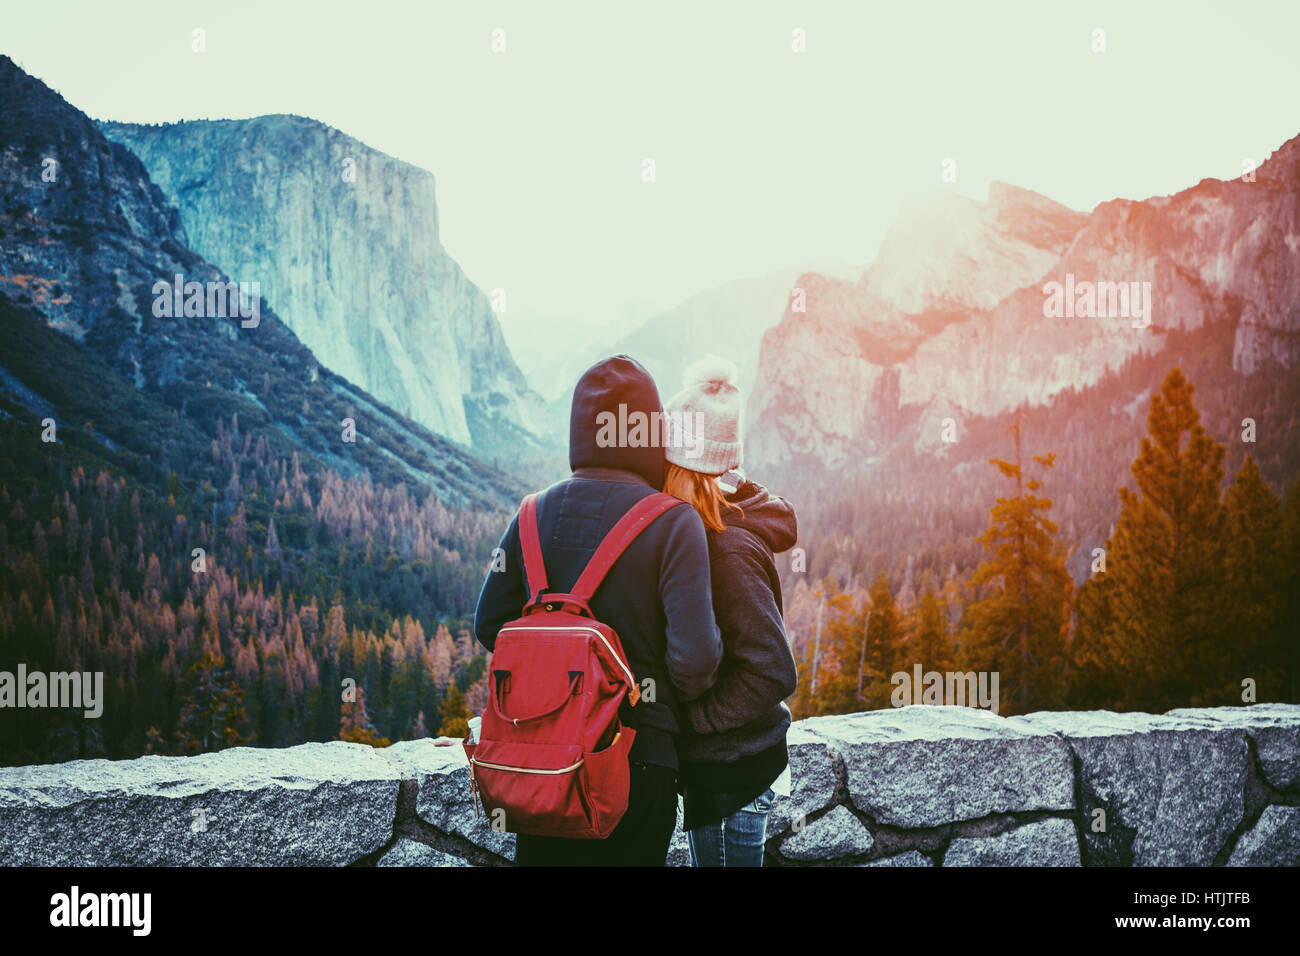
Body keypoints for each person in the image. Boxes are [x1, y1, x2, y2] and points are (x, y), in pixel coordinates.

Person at [473, 354, 723, 866]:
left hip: (543, 762)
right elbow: (695, 664)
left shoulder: (529, 514)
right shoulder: (675, 523)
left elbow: (489, 627)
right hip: (636, 763)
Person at [661, 356, 798, 867]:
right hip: (726, 770)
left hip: (732, 778)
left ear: (686, 470)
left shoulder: (728, 551)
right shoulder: (707, 534)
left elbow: (773, 670)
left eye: (665, 467)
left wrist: (694, 719)